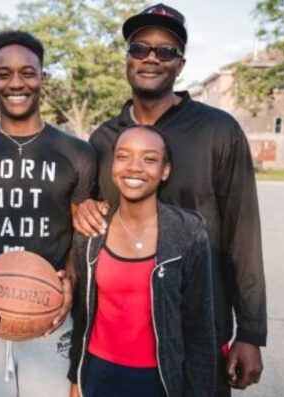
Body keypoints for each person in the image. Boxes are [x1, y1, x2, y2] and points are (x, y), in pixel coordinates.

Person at [72, 4, 266, 396]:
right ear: (127, 59)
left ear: (181, 64)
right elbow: (91, 222)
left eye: (166, 51)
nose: (151, 58)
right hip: (119, 341)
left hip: (199, 328)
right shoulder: (104, 139)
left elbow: (243, 232)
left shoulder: (217, 130)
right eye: (140, 48)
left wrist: (250, 332)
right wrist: (81, 207)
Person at [0, 31, 97, 397]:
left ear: (43, 79)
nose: (17, 83)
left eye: (28, 73)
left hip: (50, 311)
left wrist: (68, 286)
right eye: (4, 73)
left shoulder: (77, 153)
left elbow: (81, 235)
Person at [68, 125, 216, 397]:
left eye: (149, 159)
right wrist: (75, 378)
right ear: (113, 165)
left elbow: (200, 330)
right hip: (98, 375)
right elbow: (83, 317)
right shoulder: (91, 232)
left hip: (159, 379)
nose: (134, 167)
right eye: (123, 156)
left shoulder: (188, 233)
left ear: (165, 170)